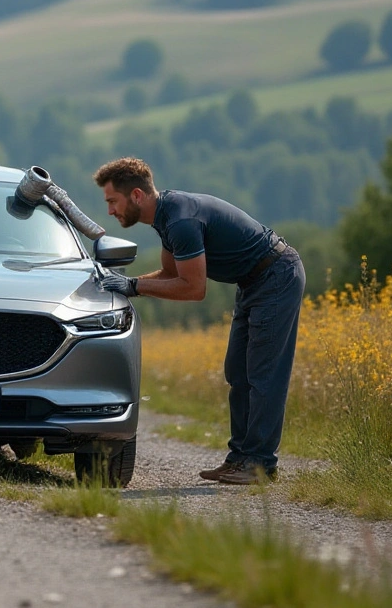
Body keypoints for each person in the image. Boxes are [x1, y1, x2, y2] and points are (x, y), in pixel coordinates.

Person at [93, 158, 305, 485]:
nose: (110, 211)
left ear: (136, 195)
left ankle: (260, 465)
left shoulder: (180, 220)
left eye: (112, 201)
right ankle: (240, 459)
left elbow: (194, 289)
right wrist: (125, 286)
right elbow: (170, 274)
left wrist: (133, 286)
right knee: (238, 371)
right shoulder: (164, 218)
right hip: (254, 282)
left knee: (264, 375)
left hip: (276, 276)